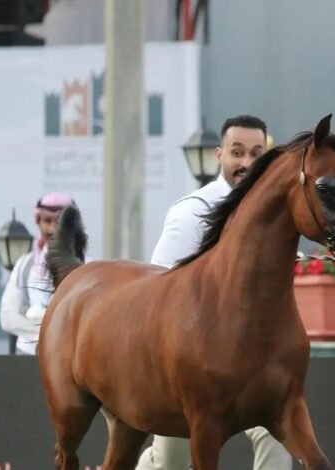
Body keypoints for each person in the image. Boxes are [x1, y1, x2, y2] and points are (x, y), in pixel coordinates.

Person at [136, 115, 293, 470]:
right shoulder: (193, 212)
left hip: (253, 363)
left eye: (257, 153)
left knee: (277, 430)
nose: (247, 163)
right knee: (169, 462)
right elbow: (158, 284)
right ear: (219, 156)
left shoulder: (279, 215)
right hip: (193, 365)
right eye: (237, 152)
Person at [0, 192, 74, 355]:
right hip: (28, 355)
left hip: (69, 359)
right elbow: (8, 317)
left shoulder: (87, 268)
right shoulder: (24, 265)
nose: (54, 228)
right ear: (39, 223)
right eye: (47, 221)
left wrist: (34, 317)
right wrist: (46, 330)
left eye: (60, 222)